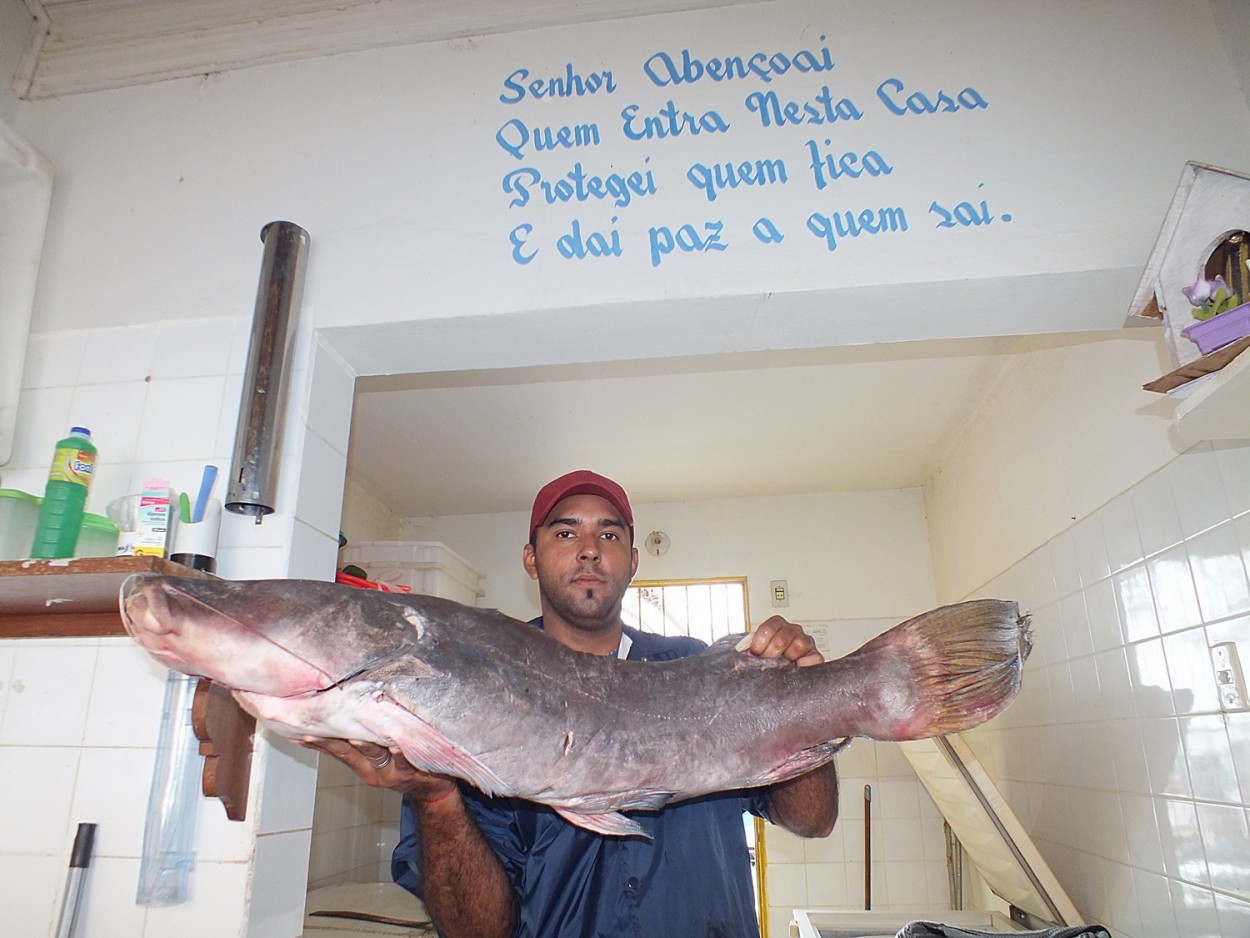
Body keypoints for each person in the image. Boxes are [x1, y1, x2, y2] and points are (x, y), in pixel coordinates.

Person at [308, 470, 839, 938]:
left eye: (608, 533)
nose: (589, 548)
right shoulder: (468, 692)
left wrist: (799, 701)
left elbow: (813, 819)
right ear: (530, 559)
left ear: (631, 561)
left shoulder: (696, 668)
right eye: (566, 532)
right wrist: (436, 797)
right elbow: (478, 931)